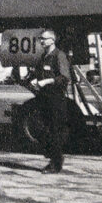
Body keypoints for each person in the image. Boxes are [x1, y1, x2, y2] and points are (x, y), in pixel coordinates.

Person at [30, 29, 71, 173]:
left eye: (44, 39)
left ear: (52, 40)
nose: (41, 41)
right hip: (44, 97)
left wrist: (47, 81)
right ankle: (53, 158)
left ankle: (56, 163)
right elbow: (39, 73)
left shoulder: (59, 56)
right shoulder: (44, 56)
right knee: (45, 129)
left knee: (55, 130)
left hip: (56, 98)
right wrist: (36, 79)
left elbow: (64, 78)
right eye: (41, 38)